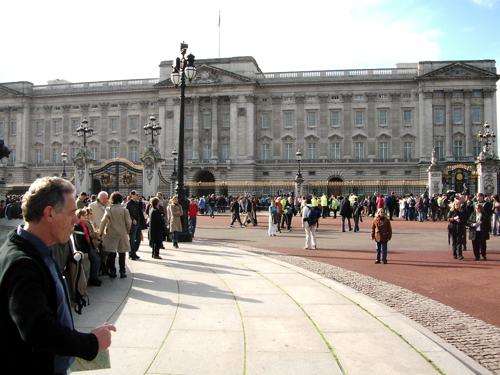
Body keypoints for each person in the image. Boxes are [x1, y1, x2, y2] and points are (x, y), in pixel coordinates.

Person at [0, 177, 115, 374]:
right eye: (71, 213)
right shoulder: (23, 264)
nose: (76, 219)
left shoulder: (34, 248)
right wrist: (91, 343)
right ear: (50, 213)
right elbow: (39, 332)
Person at [100, 192, 132, 278]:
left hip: (112, 233)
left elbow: (103, 221)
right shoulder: (125, 210)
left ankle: (113, 271)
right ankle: (122, 271)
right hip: (122, 233)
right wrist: (127, 231)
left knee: (112, 253)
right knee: (122, 253)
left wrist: (101, 232)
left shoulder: (109, 209)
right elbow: (129, 222)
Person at [73, 208, 102, 286]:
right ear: (80, 216)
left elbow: (88, 236)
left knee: (97, 260)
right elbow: (79, 241)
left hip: (89, 246)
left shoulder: (83, 224)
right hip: (85, 248)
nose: (86, 216)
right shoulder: (77, 226)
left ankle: (94, 277)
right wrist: (85, 251)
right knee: (96, 260)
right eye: (84, 215)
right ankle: (93, 279)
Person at [126, 190, 146, 260]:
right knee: (132, 239)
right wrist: (132, 219)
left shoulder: (138, 203)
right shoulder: (129, 204)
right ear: (132, 195)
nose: (138, 196)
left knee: (138, 239)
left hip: (139, 223)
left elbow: (140, 212)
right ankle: (131, 254)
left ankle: (134, 252)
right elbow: (127, 213)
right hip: (133, 224)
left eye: (138, 195)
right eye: (137, 195)